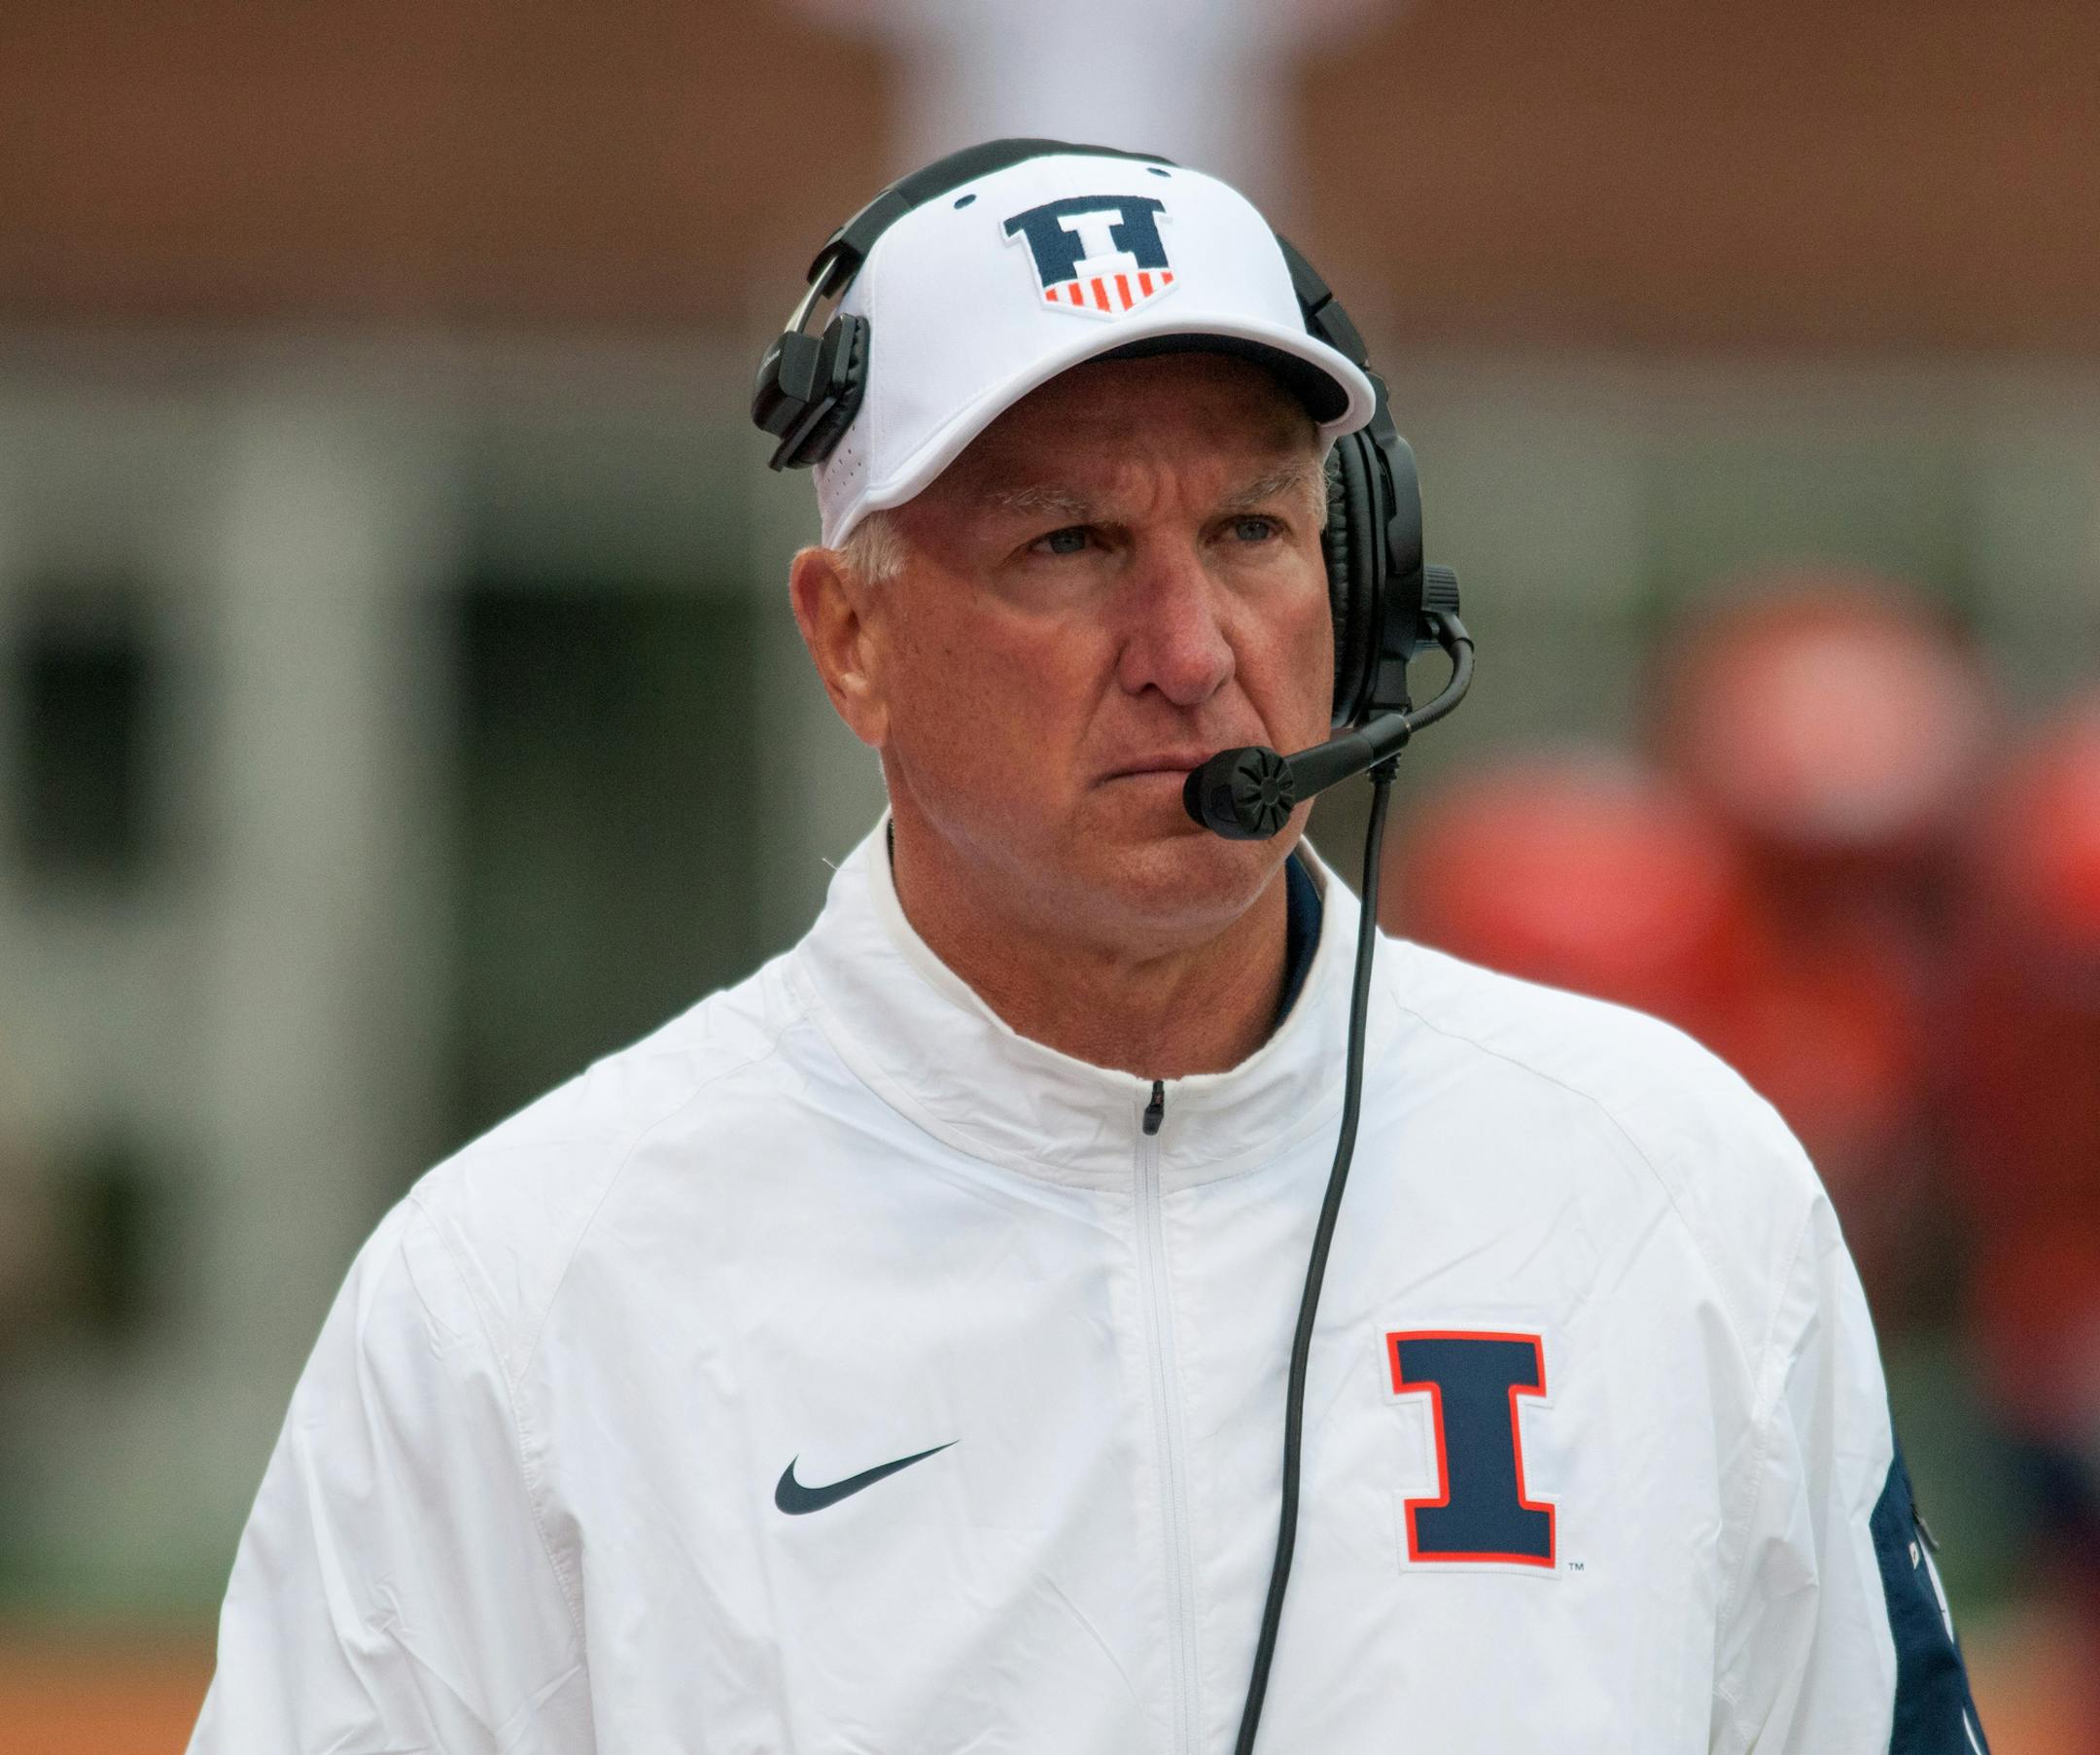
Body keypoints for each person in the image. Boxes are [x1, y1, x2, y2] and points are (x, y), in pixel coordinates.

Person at [189, 141, 1987, 1753]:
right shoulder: (527, 1290)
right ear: (849, 639)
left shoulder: (1673, 1188)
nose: (1191, 646)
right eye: (1070, 541)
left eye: (1253, 530)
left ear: (1359, 575)